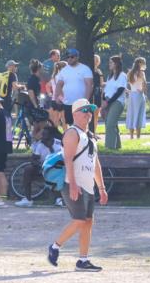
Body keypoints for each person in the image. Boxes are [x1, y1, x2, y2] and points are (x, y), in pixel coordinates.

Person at [46, 98, 108, 271]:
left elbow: (96, 164)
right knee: (79, 220)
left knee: (88, 221)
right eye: (84, 111)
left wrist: (101, 188)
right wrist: (73, 184)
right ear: (74, 114)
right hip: (74, 184)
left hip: (88, 186)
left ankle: (83, 260)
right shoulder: (72, 133)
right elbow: (68, 160)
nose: (88, 114)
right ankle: (55, 246)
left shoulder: (90, 137)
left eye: (90, 111)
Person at [15, 125, 62, 208]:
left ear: (50, 136)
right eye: (42, 134)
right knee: (28, 169)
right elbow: (34, 159)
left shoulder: (59, 144)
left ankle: (59, 199)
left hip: (56, 169)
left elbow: (60, 159)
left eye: (44, 135)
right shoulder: (40, 144)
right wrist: (39, 165)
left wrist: (50, 147)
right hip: (43, 168)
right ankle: (28, 199)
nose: (42, 137)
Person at [53, 49, 93, 126]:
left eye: (72, 57)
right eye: (67, 57)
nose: (69, 59)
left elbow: (89, 85)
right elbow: (59, 85)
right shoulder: (64, 70)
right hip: (68, 103)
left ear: (77, 57)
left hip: (80, 104)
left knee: (82, 125)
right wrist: (58, 97)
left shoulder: (85, 69)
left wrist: (85, 101)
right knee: (71, 125)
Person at [101, 55, 127, 149]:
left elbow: (120, 91)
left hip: (117, 102)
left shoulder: (122, 75)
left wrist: (109, 102)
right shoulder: (110, 76)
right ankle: (117, 146)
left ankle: (109, 147)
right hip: (108, 101)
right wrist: (104, 101)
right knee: (111, 123)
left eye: (111, 62)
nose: (109, 64)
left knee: (110, 124)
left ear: (116, 64)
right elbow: (106, 90)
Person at [126, 57, 148, 139]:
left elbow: (128, 84)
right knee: (139, 114)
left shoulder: (130, 73)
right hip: (138, 95)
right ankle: (138, 136)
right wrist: (143, 91)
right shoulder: (141, 73)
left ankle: (131, 136)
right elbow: (145, 84)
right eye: (143, 63)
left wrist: (129, 91)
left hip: (132, 95)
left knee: (131, 114)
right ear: (139, 63)